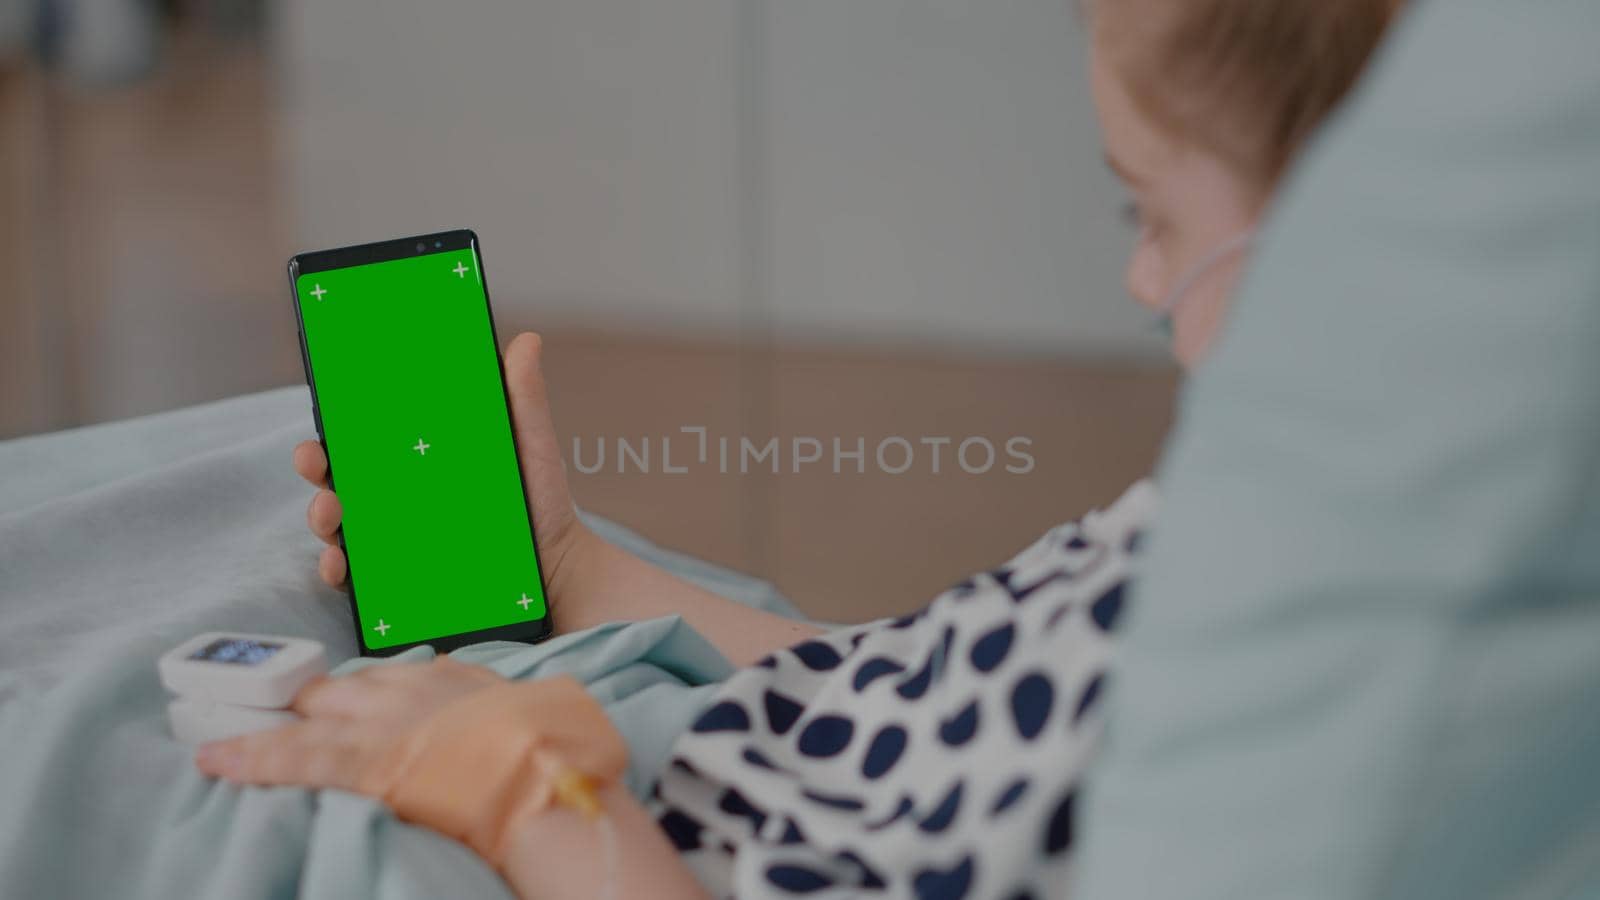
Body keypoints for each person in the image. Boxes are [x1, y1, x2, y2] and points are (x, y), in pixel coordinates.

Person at [194, 1, 1405, 896]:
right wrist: (568, 565)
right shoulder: (1206, 528)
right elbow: (910, 688)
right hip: (598, 733)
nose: (1140, 275)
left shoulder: (1305, 691)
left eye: (1154, 215)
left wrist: (526, 795)